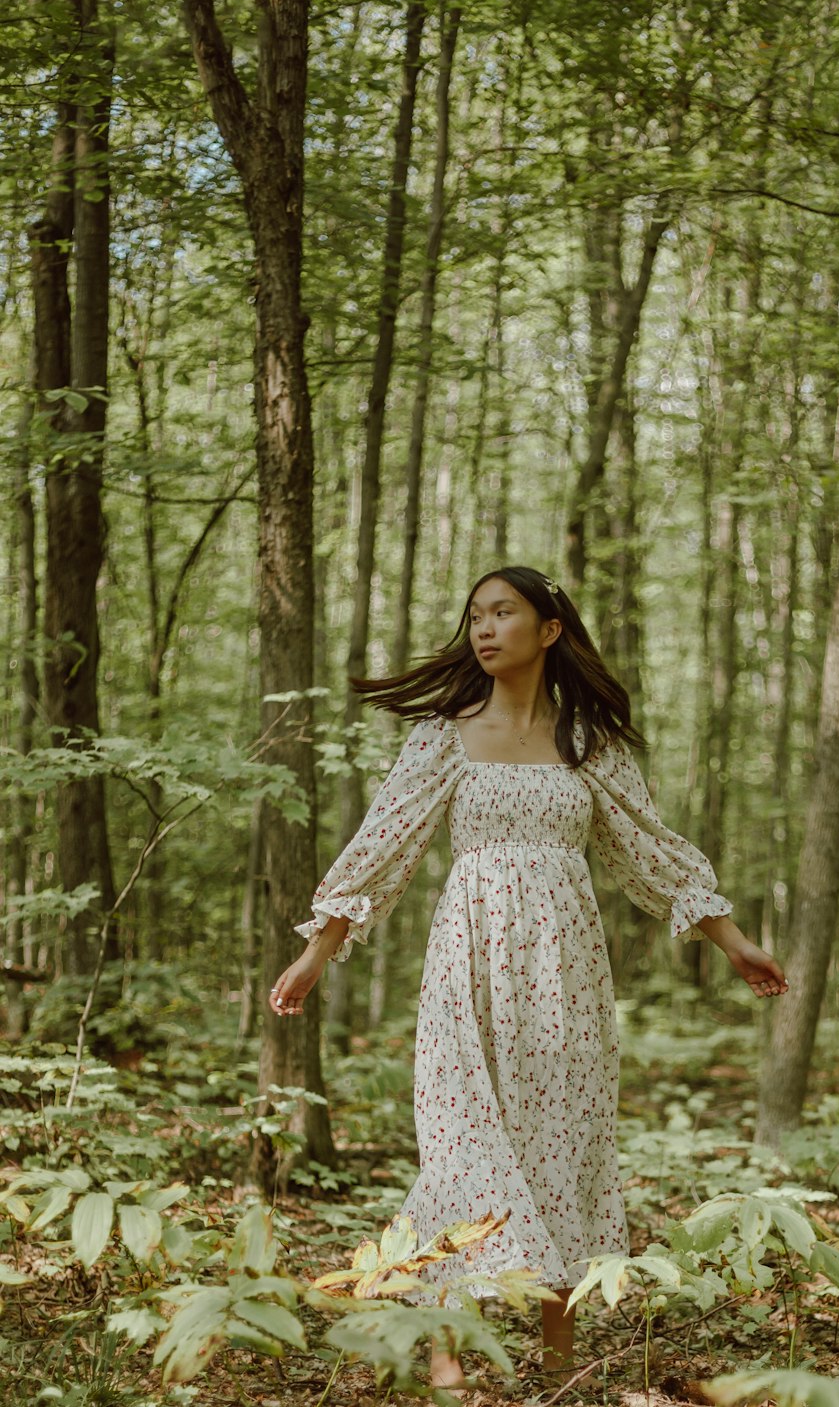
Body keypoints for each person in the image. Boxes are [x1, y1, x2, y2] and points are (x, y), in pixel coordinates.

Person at [269, 565, 787, 1391]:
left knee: (564, 1138)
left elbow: (650, 850)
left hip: (567, 973)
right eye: (475, 615)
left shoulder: (589, 743)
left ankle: (556, 1358)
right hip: (468, 959)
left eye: (503, 612)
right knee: (460, 1139)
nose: (484, 627)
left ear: (548, 629)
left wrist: (736, 942)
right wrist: (316, 951)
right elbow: (383, 846)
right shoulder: (443, 734)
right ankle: (447, 1351)